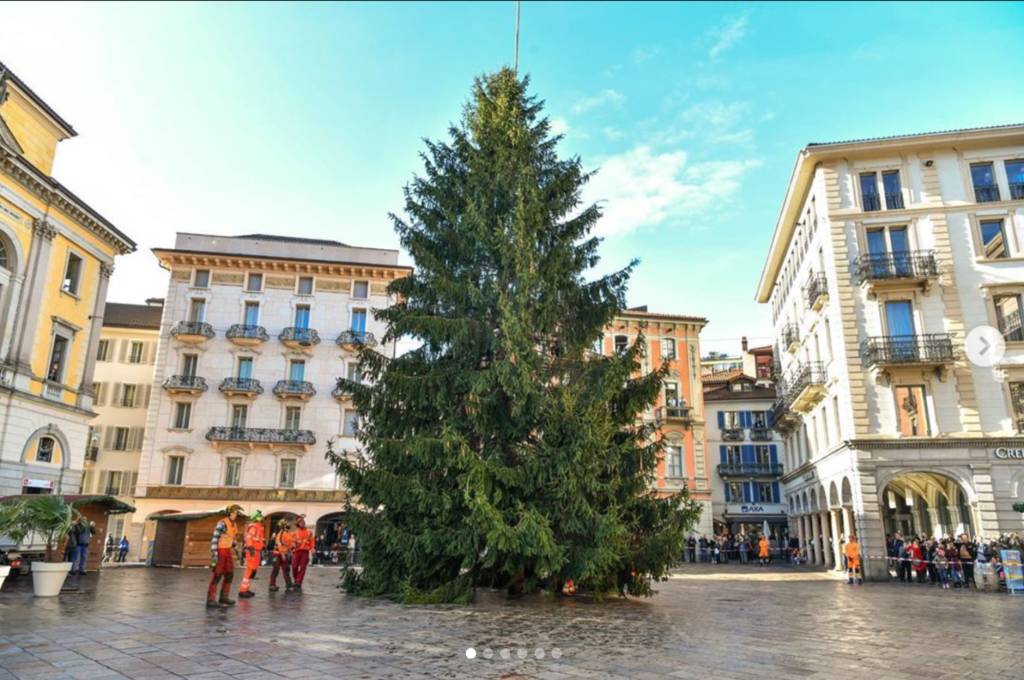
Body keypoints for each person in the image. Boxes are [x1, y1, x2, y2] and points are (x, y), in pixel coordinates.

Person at [206, 505, 242, 608]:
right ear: (229, 513)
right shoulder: (222, 523)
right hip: (220, 550)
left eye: (236, 513)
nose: (235, 515)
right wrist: (214, 554)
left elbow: (232, 538)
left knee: (230, 574)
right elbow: (215, 538)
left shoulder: (234, 525)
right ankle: (210, 599)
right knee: (217, 574)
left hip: (227, 551)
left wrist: (237, 550)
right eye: (234, 513)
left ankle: (224, 597)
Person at [238, 510, 265, 599]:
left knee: (252, 571)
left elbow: (256, 539)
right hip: (252, 552)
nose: (263, 518)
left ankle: (246, 589)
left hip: (255, 551)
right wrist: (251, 548)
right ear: (257, 518)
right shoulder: (254, 527)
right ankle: (243, 591)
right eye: (261, 516)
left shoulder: (259, 527)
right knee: (249, 571)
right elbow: (249, 538)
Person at [269, 518, 294, 592]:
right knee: (276, 569)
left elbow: (288, 544)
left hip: (284, 553)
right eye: (287, 523)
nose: (289, 524)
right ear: (284, 525)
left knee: (286, 569)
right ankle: (272, 585)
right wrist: (283, 553)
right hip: (278, 554)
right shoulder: (281, 533)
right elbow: (279, 544)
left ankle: (289, 584)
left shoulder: (288, 533)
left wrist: (290, 551)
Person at [291, 516, 314, 589]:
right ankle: (296, 579)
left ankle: (298, 582)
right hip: (297, 551)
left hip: (305, 551)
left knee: (303, 567)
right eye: (300, 522)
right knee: (294, 566)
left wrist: (312, 548)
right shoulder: (294, 533)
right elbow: (292, 542)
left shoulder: (309, 532)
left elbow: (312, 541)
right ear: (297, 524)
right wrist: (293, 545)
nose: (302, 523)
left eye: (303, 522)